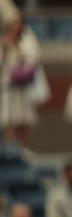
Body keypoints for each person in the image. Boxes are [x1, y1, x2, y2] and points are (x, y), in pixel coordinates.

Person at [0, 15, 46, 147]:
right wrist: (4, 47)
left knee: (23, 121)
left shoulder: (27, 41)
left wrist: (17, 47)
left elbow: (32, 61)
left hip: (23, 87)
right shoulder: (3, 41)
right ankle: (10, 150)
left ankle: (22, 150)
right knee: (8, 121)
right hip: (7, 88)